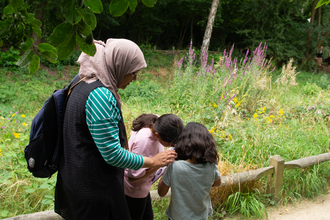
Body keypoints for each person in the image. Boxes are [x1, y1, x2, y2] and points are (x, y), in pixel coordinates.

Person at [54, 39, 177, 220]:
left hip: (75, 178)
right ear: (119, 65)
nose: (135, 79)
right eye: (133, 73)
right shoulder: (101, 95)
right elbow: (112, 154)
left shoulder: (82, 79)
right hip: (95, 189)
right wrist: (153, 161)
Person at [124, 113, 184, 220]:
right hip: (134, 191)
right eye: (171, 144)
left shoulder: (157, 120)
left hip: (144, 187)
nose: (173, 147)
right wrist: (158, 164)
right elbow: (132, 177)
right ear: (157, 136)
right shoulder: (144, 142)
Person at [158, 122, 221, 220]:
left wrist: (167, 167)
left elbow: (161, 192)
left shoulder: (175, 167)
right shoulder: (211, 166)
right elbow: (217, 183)